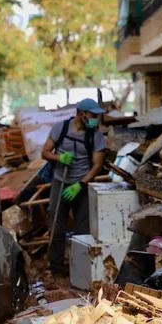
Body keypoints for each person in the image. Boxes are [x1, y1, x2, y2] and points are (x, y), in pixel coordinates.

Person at [41, 99, 107, 276]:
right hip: (60, 182)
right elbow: (45, 152)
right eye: (93, 115)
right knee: (56, 224)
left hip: (81, 185)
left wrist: (80, 184)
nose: (96, 119)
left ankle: (80, 268)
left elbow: (97, 165)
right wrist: (59, 158)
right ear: (81, 113)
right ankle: (55, 266)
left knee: (82, 229)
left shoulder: (96, 136)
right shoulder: (60, 128)